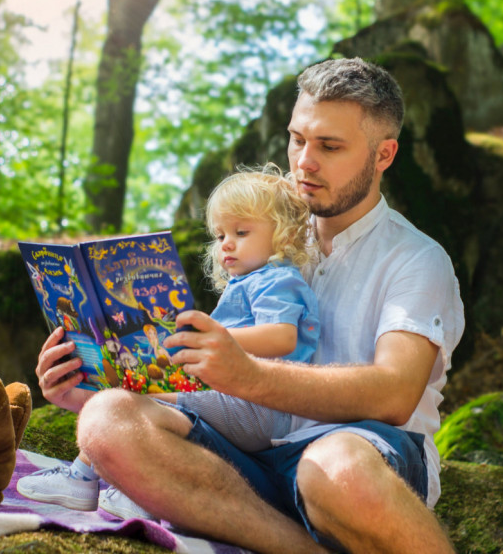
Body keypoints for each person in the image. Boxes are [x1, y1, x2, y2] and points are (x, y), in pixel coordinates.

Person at [36, 57, 463, 553]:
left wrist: (245, 374)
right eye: (298, 139)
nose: (304, 161)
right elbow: (211, 378)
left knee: (336, 466)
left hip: (361, 458)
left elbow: (394, 393)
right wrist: (89, 381)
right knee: (106, 419)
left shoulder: (416, 259)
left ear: (383, 154)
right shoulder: (265, 236)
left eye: (329, 146)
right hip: (248, 456)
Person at [18, 166, 320, 515]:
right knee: (131, 395)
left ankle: (90, 480)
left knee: (140, 401)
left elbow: (282, 337)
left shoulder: (279, 279)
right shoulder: (250, 282)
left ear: (284, 234)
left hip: (259, 407)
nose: (227, 244)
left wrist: (213, 338)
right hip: (237, 400)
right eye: (220, 235)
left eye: (241, 231)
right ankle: (114, 483)